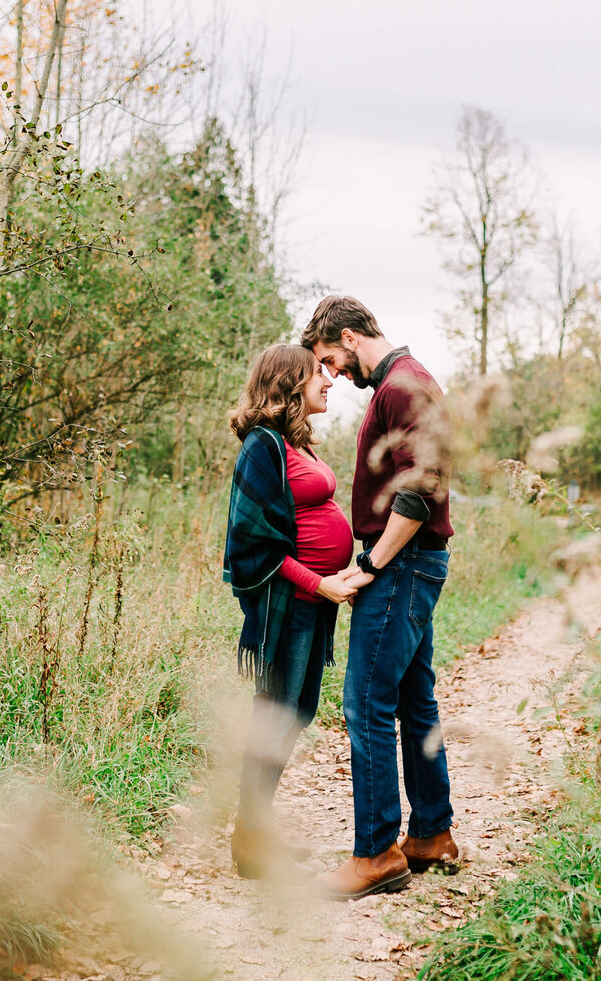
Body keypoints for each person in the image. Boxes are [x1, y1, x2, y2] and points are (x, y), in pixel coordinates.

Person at [301, 295, 462, 900]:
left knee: (365, 703)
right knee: (414, 698)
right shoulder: (402, 384)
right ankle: (430, 836)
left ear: (347, 335)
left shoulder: (403, 386)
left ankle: (375, 853)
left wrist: (372, 561)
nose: (333, 374)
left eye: (330, 359)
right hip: (413, 566)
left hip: (402, 566)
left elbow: (420, 494)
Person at [223, 343, 358, 879]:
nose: (328, 382)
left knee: (293, 715)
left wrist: (340, 576)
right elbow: (252, 542)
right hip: (289, 606)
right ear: (286, 385)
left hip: (313, 603)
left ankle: (255, 831)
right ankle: (251, 843)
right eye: (316, 375)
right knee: (275, 717)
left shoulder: (294, 444)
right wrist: (316, 582)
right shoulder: (262, 447)